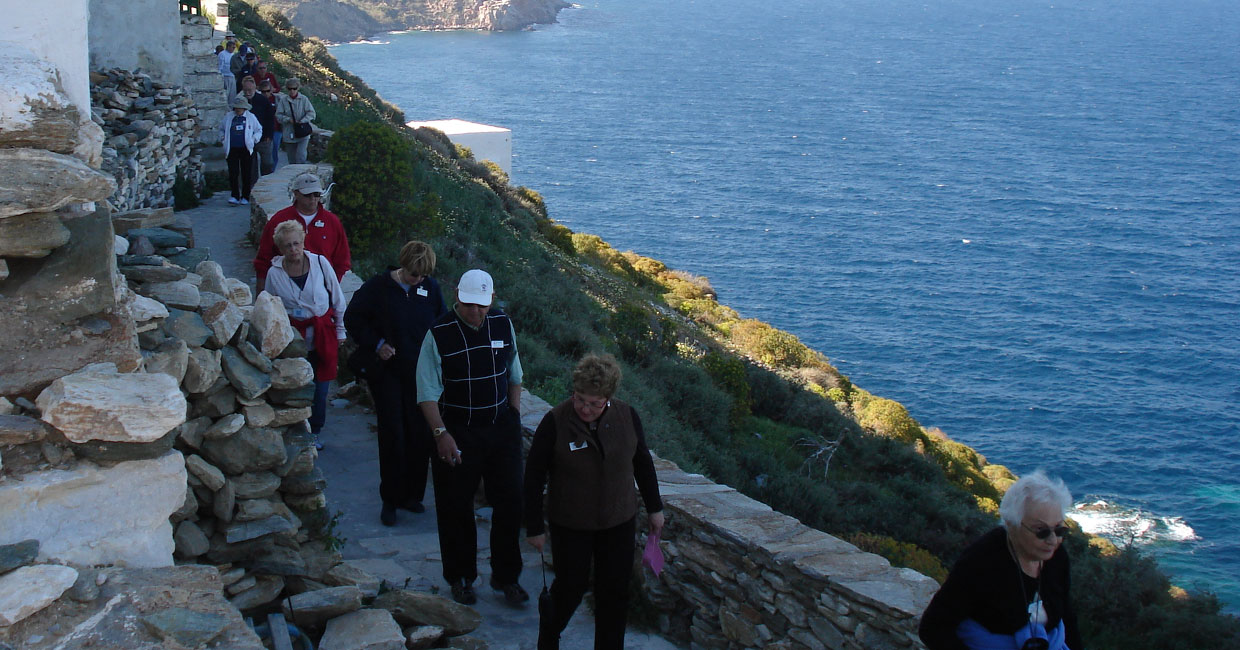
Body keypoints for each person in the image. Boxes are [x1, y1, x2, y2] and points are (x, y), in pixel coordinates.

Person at [524, 353, 665, 650]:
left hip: (619, 520)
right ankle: (548, 642)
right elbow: (534, 475)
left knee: (614, 593)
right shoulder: (555, 422)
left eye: (594, 403)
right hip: (571, 522)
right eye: (579, 399)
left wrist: (655, 508)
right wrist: (534, 526)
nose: (585, 408)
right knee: (569, 589)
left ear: (608, 398)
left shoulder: (627, 416)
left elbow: (642, 463)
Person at [416, 269, 527, 606]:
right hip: (457, 430)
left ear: (491, 300)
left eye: (481, 305)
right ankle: (461, 577)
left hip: (500, 429)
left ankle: (506, 576)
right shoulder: (438, 334)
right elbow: (426, 392)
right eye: (468, 305)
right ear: (457, 298)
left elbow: (515, 374)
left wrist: (513, 415)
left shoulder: (502, 325)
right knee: (455, 508)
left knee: (510, 504)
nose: (475, 311)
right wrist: (441, 434)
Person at [344, 242, 447, 527]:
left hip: (421, 375)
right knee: (393, 435)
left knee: (420, 435)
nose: (418, 280)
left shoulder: (431, 289)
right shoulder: (378, 288)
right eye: (414, 275)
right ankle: (389, 499)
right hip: (388, 373)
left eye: (423, 276)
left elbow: (441, 323)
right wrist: (377, 344)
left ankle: (411, 495)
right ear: (404, 267)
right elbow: (352, 318)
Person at [919, 471, 1083, 650]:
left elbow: (1066, 615)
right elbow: (933, 627)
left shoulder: (1057, 557)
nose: (1053, 540)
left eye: (1059, 529)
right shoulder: (981, 563)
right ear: (1012, 525)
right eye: (1041, 530)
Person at [263, 220, 346, 450]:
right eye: (288, 245)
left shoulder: (320, 264)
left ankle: (315, 430)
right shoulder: (275, 273)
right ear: (281, 248)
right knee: (296, 385)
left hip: (322, 333)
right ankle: (296, 428)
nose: (293, 250)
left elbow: (338, 299)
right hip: (293, 338)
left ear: (303, 241)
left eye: (296, 244)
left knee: (321, 387)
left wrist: (340, 330)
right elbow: (269, 305)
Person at [253, 172, 350, 294]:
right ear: (296, 194)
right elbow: (263, 259)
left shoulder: (332, 222)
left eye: (317, 194)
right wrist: (261, 294)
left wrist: (331, 287)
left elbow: (342, 259)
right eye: (308, 195)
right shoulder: (279, 220)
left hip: (321, 293)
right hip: (285, 289)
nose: (313, 199)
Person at [219, 96, 261, 206]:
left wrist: (254, 139)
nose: (238, 110)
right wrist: (222, 138)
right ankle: (234, 195)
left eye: (240, 108)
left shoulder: (251, 117)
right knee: (233, 172)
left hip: (245, 149)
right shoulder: (228, 117)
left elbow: (258, 130)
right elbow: (221, 129)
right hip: (232, 149)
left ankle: (246, 196)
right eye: (236, 108)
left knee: (246, 173)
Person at [276, 77, 315, 165]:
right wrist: (288, 119)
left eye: (294, 88)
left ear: (298, 88)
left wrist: (303, 120)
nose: (292, 91)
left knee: (301, 155)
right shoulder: (283, 101)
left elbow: (311, 113)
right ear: (287, 89)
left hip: (303, 132)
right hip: (289, 133)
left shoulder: (304, 99)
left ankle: (301, 172)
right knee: (292, 158)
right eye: (290, 89)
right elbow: (278, 115)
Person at [241, 77, 276, 176]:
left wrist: (269, 135)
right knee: (250, 165)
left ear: (254, 88)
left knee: (267, 164)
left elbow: (270, 119)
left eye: (250, 90)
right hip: (248, 139)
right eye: (245, 90)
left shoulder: (263, 100)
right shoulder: (241, 101)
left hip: (264, 138)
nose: (248, 92)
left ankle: (267, 185)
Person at [258, 80, 283, 170]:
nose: (265, 93)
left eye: (267, 91)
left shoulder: (277, 100)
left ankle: (273, 170)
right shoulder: (258, 101)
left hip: (276, 129)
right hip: (263, 130)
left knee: (274, 149)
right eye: (263, 91)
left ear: (271, 90)